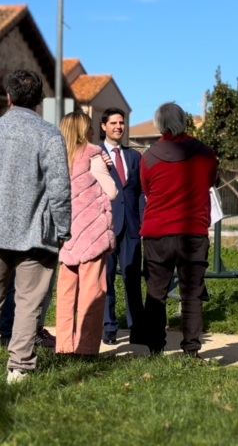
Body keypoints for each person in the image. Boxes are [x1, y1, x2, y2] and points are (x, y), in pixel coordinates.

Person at [0, 69, 72, 383]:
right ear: (40, 99)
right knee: (28, 302)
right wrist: (63, 228)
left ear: (8, 97)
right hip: (36, 235)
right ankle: (19, 366)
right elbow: (59, 190)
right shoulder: (49, 135)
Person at [140, 102, 217, 357]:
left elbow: (148, 192)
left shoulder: (149, 157)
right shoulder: (206, 154)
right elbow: (209, 182)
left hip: (157, 233)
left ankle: (154, 348)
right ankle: (191, 351)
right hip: (193, 232)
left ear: (159, 125)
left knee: (156, 293)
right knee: (191, 295)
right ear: (184, 122)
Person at [55, 111, 118, 355]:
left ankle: (63, 347)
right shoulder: (93, 154)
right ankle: (86, 349)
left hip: (65, 235)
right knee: (92, 293)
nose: (93, 131)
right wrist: (106, 171)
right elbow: (111, 191)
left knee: (66, 294)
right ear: (83, 130)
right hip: (91, 235)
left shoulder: (59, 156)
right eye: (90, 127)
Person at [99, 107, 146, 345]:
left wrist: (142, 224)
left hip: (131, 228)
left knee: (132, 278)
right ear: (103, 126)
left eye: (122, 123)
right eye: (114, 123)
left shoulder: (135, 157)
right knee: (106, 278)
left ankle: (136, 326)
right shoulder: (95, 155)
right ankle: (109, 326)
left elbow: (138, 193)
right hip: (105, 227)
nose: (119, 127)